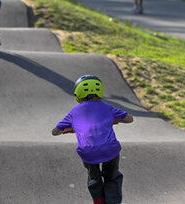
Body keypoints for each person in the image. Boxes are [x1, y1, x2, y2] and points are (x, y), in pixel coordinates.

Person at [52, 75, 133, 204]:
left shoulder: (73, 112)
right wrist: (113, 119)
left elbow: (55, 132)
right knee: (112, 176)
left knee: (94, 177)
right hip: (109, 149)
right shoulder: (107, 107)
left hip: (88, 152)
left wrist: (70, 128)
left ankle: (98, 200)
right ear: (99, 92)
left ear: (77, 95)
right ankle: (112, 201)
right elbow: (129, 119)